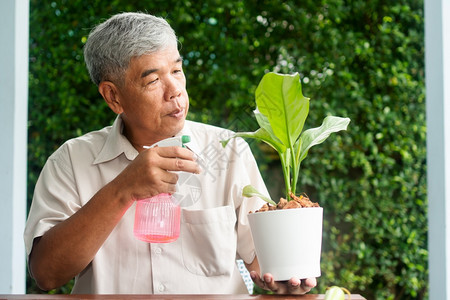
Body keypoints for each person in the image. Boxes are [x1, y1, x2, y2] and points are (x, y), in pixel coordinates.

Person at [24, 12, 317, 294]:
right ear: (113, 96)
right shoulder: (71, 161)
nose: (175, 90)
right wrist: (123, 189)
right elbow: (47, 274)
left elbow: (261, 260)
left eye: (177, 70)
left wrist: (284, 278)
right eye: (153, 80)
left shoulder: (228, 150)